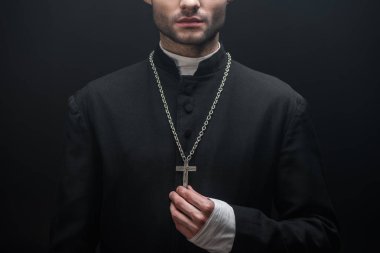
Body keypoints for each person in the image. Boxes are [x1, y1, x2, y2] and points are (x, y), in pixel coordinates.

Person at [48, 0, 340, 252]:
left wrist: (238, 230)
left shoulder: (281, 105)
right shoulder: (94, 105)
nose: (189, 2)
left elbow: (321, 237)